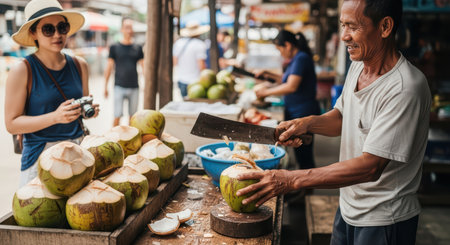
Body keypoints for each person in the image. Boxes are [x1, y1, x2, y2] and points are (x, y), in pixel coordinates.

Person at [237, 0, 431, 244]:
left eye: (352, 26)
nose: (343, 36)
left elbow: (371, 166)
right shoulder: (357, 66)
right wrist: (307, 123)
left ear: (385, 27)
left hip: (384, 220)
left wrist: (290, 179)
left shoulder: (405, 87)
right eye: (342, 25)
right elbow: (342, 117)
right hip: (348, 207)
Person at [4, 0, 100, 187]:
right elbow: (12, 124)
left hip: (77, 153)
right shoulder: (22, 70)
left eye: (62, 27)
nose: (57, 35)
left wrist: (85, 112)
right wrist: (55, 117)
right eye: (48, 29)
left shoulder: (80, 65)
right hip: (40, 156)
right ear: (33, 33)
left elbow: (78, 111)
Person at [254, 30, 320, 170]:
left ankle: (306, 188)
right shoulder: (296, 59)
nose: (280, 53)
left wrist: (265, 92)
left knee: (303, 152)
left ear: (288, 45)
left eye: (280, 49)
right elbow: (285, 79)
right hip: (295, 109)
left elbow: (291, 86)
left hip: (303, 111)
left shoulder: (301, 58)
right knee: (298, 149)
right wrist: (267, 74)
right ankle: (303, 186)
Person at [104, 17, 144, 126]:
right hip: (119, 86)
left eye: (131, 28)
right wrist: (105, 87)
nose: (129, 30)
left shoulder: (138, 47)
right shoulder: (114, 47)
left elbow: (143, 66)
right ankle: (112, 140)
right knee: (117, 116)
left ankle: (131, 141)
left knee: (133, 118)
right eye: (126, 27)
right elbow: (109, 67)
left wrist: (146, 84)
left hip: (134, 87)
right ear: (121, 29)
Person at [173, 21, 209, 98]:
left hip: (181, 79)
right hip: (195, 82)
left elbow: (175, 62)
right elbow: (202, 65)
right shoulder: (200, 45)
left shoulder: (178, 43)